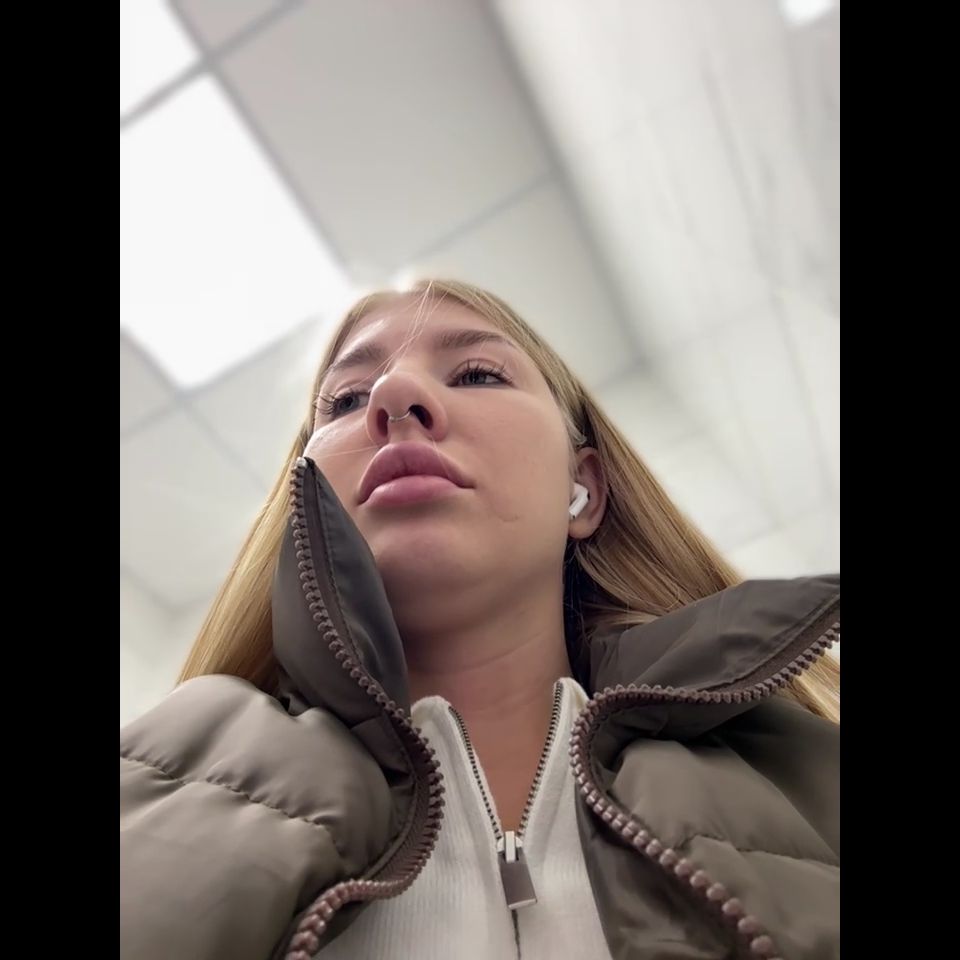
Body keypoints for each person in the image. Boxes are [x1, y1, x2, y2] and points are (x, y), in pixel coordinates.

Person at [120, 279, 840, 960]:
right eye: (344, 400)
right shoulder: (146, 776)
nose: (394, 396)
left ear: (583, 489)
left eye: (476, 374)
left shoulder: (811, 778)